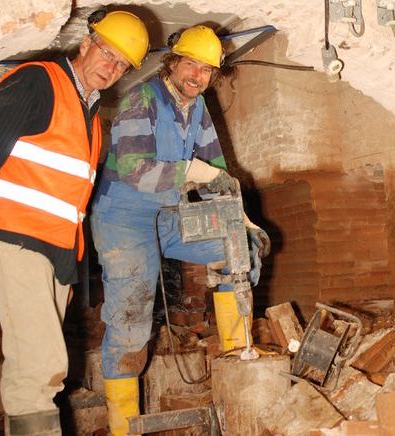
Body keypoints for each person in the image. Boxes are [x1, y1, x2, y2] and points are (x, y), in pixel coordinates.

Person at [90, 24, 270, 435]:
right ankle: (121, 426)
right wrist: (195, 172)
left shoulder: (199, 108)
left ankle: (236, 363)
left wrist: (241, 224)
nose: (197, 76)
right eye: (191, 64)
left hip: (169, 215)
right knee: (131, 315)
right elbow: (136, 171)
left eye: (207, 70)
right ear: (173, 62)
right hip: (124, 217)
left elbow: (216, 172)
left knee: (237, 249)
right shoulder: (142, 100)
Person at [0, 9, 149, 435]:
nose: (111, 67)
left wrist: (67, 271)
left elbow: (70, 204)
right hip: (14, 238)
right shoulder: (39, 82)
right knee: (39, 367)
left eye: (122, 64)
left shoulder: (91, 116)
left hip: (51, 253)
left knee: (42, 368)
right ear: (86, 43)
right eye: (107, 53)